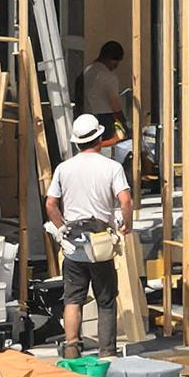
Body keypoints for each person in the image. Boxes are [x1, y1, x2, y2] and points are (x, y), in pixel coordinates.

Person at [46, 113, 134, 357]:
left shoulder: (64, 168)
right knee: (105, 299)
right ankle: (107, 352)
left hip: (73, 240)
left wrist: (61, 226)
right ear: (98, 138)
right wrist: (127, 224)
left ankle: (72, 348)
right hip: (100, 241)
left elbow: (51, 203)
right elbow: (125, 200)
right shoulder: (112, 167)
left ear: (77, 142)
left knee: (73, 299)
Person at [79, 41, 131, 130]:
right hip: (104, 119)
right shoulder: (108, 77)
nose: (116, 67)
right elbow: (116, 107)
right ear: (111, 59)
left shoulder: (86, 72)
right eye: (116, 63)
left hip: (85, 119)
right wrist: (125, 126)